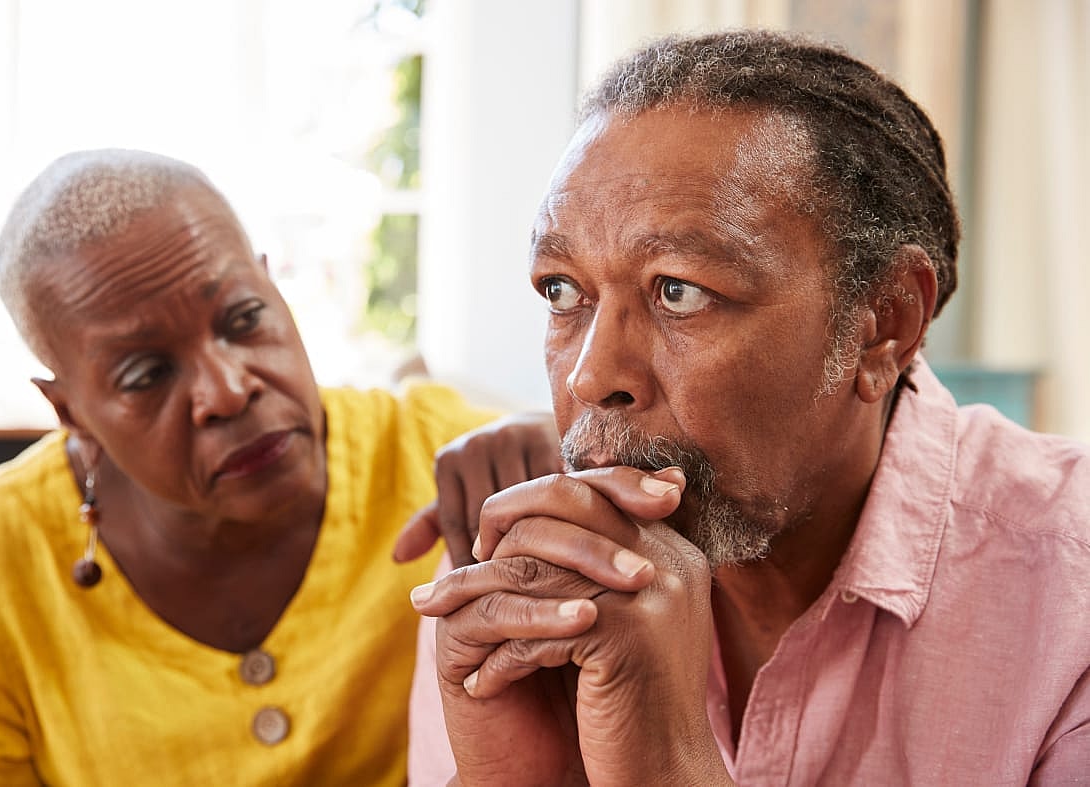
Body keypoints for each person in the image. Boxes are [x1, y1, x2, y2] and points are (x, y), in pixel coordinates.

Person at [406, 29, 1090, 784]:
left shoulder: (1068, 606)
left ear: (885, 324)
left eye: (679, 291)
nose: (591, 377)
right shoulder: (527, 585)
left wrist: (666, 768)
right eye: (563, 291)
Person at [0, 148, 560, 785]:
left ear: (274, 287)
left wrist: (572, 453)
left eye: (244, 318)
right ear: (70, 410)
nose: (227, 390)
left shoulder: (439, 456)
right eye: (147, 373)